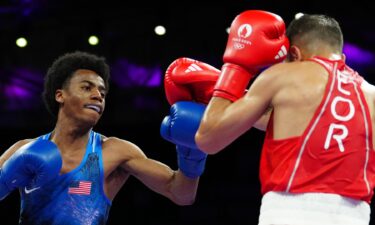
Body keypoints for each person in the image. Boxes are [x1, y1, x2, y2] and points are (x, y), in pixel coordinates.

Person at [162, 10, 375, 225]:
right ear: (341, 56)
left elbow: (209, 138)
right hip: (355, 216)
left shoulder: (284, 76)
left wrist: (235, 69)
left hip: (290, 212)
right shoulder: (371, 95)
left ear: (294, 54)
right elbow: (285, 120)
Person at [0, 51, 207, 225]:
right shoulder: (24, 148)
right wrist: (5, 180)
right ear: (60, 95)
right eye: (86, 87)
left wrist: (193, 154)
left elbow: (181, 194)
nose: (98, 95)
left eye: (102, 92)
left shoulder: (115, 151)